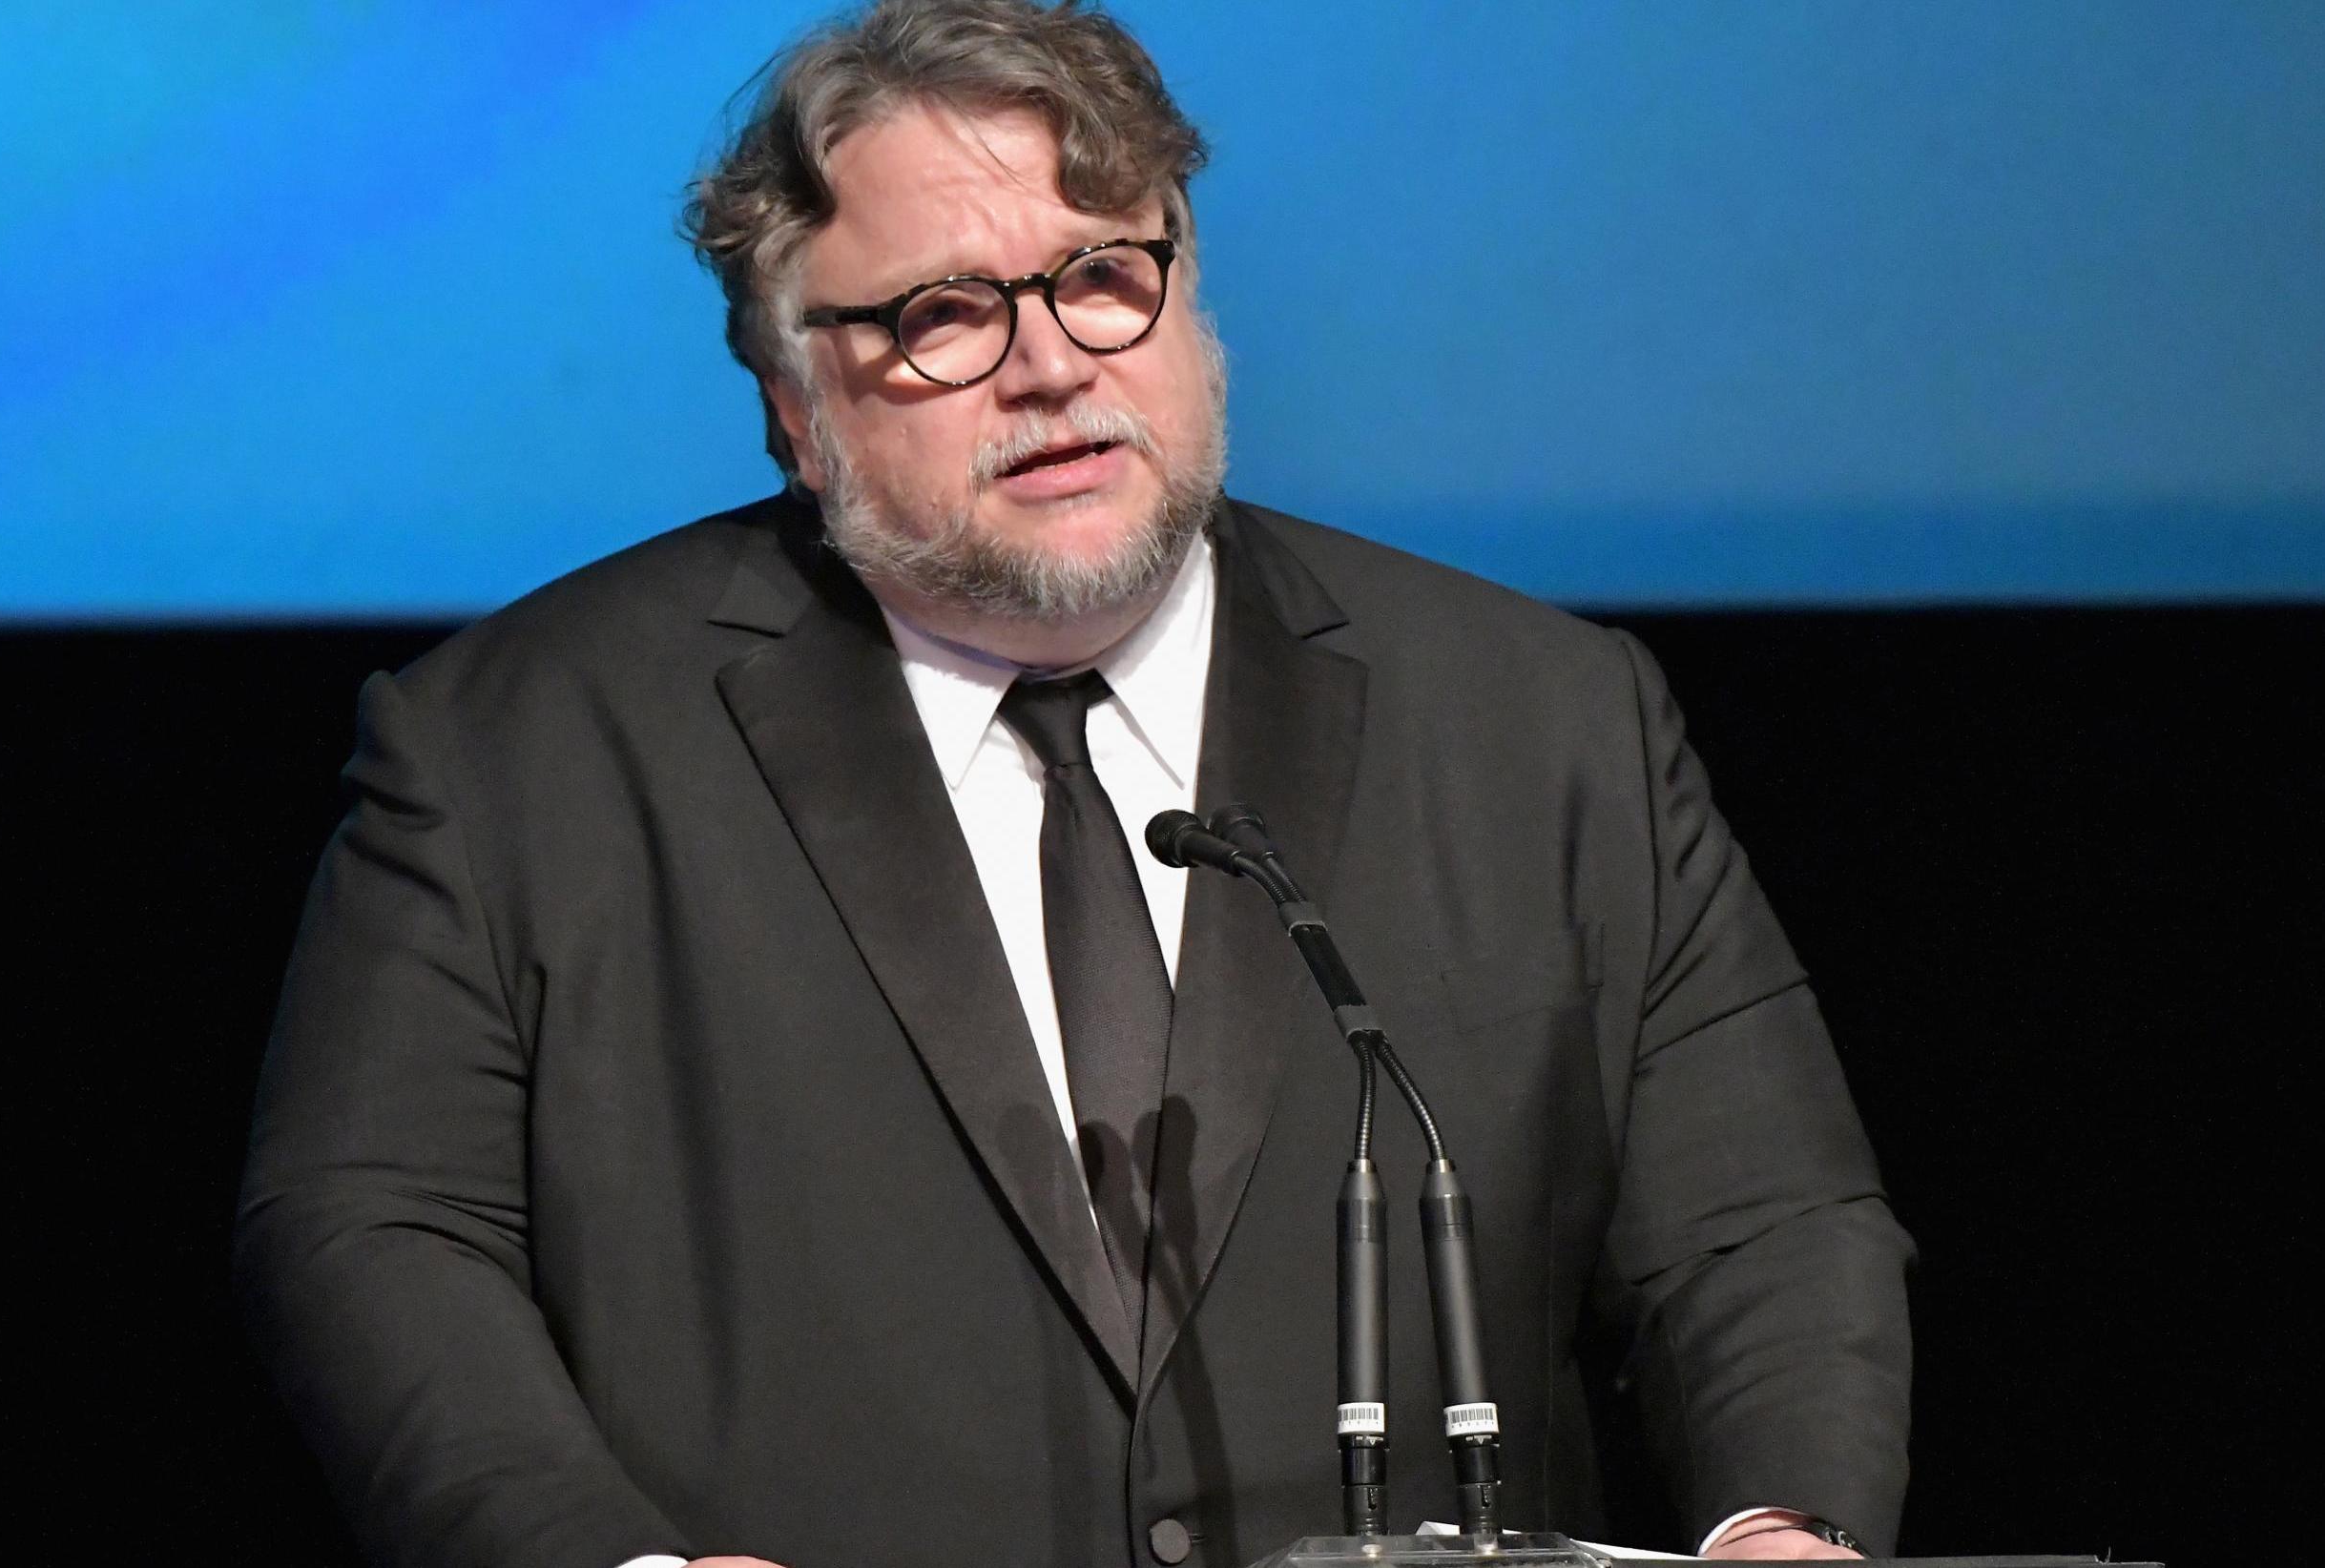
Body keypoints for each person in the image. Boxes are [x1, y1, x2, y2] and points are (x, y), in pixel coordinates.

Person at [236, 4, 1913, 1566]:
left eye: (1103, 276)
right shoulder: (520, 746)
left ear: (1192, 304)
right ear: (794, 409)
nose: (1051, 365)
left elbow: (1761, 1224)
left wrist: (1776, 1525)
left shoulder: (1544, 717)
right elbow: (373, 1228)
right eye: (943, 315)